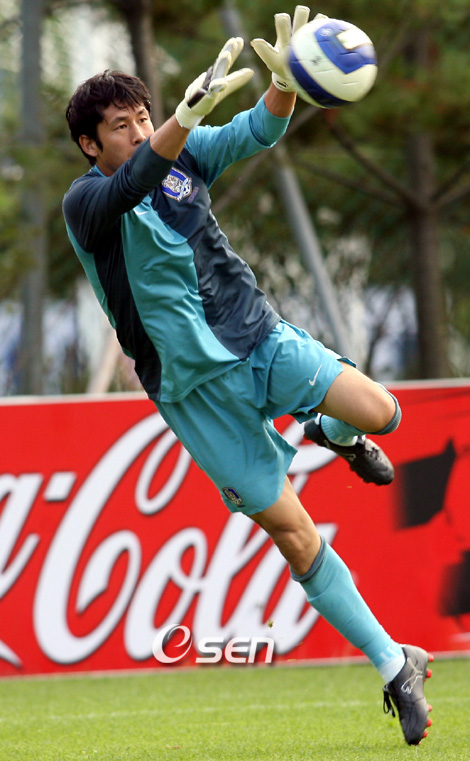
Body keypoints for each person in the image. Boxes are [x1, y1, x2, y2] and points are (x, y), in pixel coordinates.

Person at [63, 6, 432, 745]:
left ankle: (334, 431)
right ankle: (396, 664)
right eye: (120, 126)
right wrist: (179, 121)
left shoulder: (187, 154)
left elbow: (259, 129)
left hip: (258, 335)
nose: (137, 131)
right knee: (294, 533)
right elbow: (134, 181)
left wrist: (286, 81)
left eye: (143, 117)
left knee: (382, 412)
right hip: (194, 393)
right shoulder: (87, 205)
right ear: (89, 144)